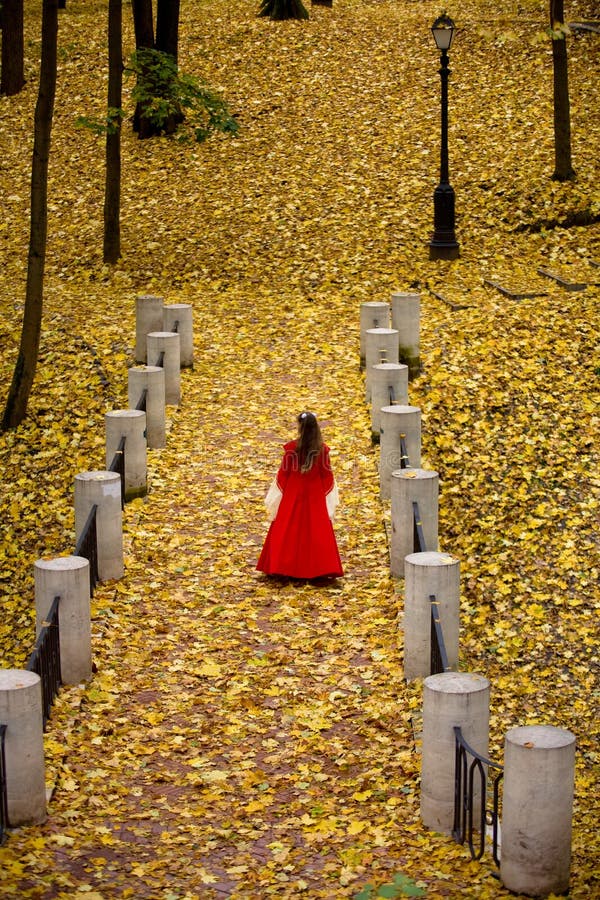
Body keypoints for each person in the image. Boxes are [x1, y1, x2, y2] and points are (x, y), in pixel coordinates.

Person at [256, 412, 343, 580]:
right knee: (315, 529)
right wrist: (326, 496)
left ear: (300, 428)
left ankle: (283, 566)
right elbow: (327, 475)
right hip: (315, 494)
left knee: (288, 526)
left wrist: (279, 493)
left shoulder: (291, 449)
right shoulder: (322, 450)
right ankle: (318, 568)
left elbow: (284, 473)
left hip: (293, 492)